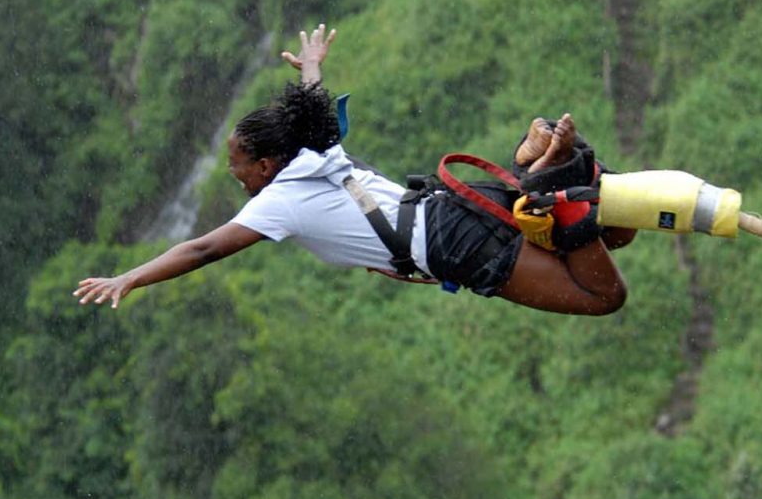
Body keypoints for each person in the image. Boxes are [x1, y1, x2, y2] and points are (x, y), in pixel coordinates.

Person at [75, 24, 635, 316]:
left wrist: (131, 277)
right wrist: (312, 65)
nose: (234, 176)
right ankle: (532, 162)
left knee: (603, 297)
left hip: (455, 245)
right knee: (613, 236)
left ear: (266, 165)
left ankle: (544, 176)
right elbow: (313, 99)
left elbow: (201, 249)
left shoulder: (278, 201)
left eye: (237, 166)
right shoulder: (315, 146)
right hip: (455, 206)